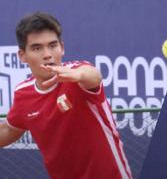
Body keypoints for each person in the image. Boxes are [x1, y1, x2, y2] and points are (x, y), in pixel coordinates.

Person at [0, 12, 132, 179]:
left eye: (52, 45)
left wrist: (78, 76)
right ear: (22, 56)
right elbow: (7, 130)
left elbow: (93, 76)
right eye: (37, 48)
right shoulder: (23, 93)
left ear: (62, 47)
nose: (47, 54)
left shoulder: (78, 72)